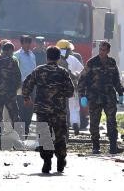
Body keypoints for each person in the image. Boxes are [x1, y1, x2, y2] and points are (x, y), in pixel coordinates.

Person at [23, 46, 74, 174]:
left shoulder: (38, 70)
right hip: (59, 110)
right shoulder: (63, 72)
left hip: (42, 109)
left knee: (44, 135)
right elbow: (70, 91)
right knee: (60, 136)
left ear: (47, 57)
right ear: (58, 58)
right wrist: (60, 94)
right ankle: (61, 159)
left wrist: (26, 97)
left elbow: (27, 84)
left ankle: (47, 161)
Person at [78, 41, 124, 154]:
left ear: (108, 51)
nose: (102, 52)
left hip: (109, 97)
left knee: (111, 121)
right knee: (94, 121)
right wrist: (82, 96)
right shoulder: (92, 62)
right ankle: (95, 146)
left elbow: (116, 80)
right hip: (94, 96)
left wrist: (121, 93)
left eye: (104, 50)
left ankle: (113, 146)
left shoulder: (112, 62)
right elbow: (82, 79)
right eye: (100, 50)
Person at [55, 39, 84, 135]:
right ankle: (75, 123)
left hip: (58, 89)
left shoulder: (54, 60)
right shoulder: (73, 58)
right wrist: (77, 78)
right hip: (72, 88)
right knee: (74, 107)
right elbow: (82, 71)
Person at [14, 35, 36, 134]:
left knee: (30, 107)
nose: (28, 45)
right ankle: (19, 129)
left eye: (29, 42)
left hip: (31, 85)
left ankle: (26, 127)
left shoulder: (32, 55)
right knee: (20, 106)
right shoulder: (17, 55)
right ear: (22, 43)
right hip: (21, 84)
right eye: (25, 42)